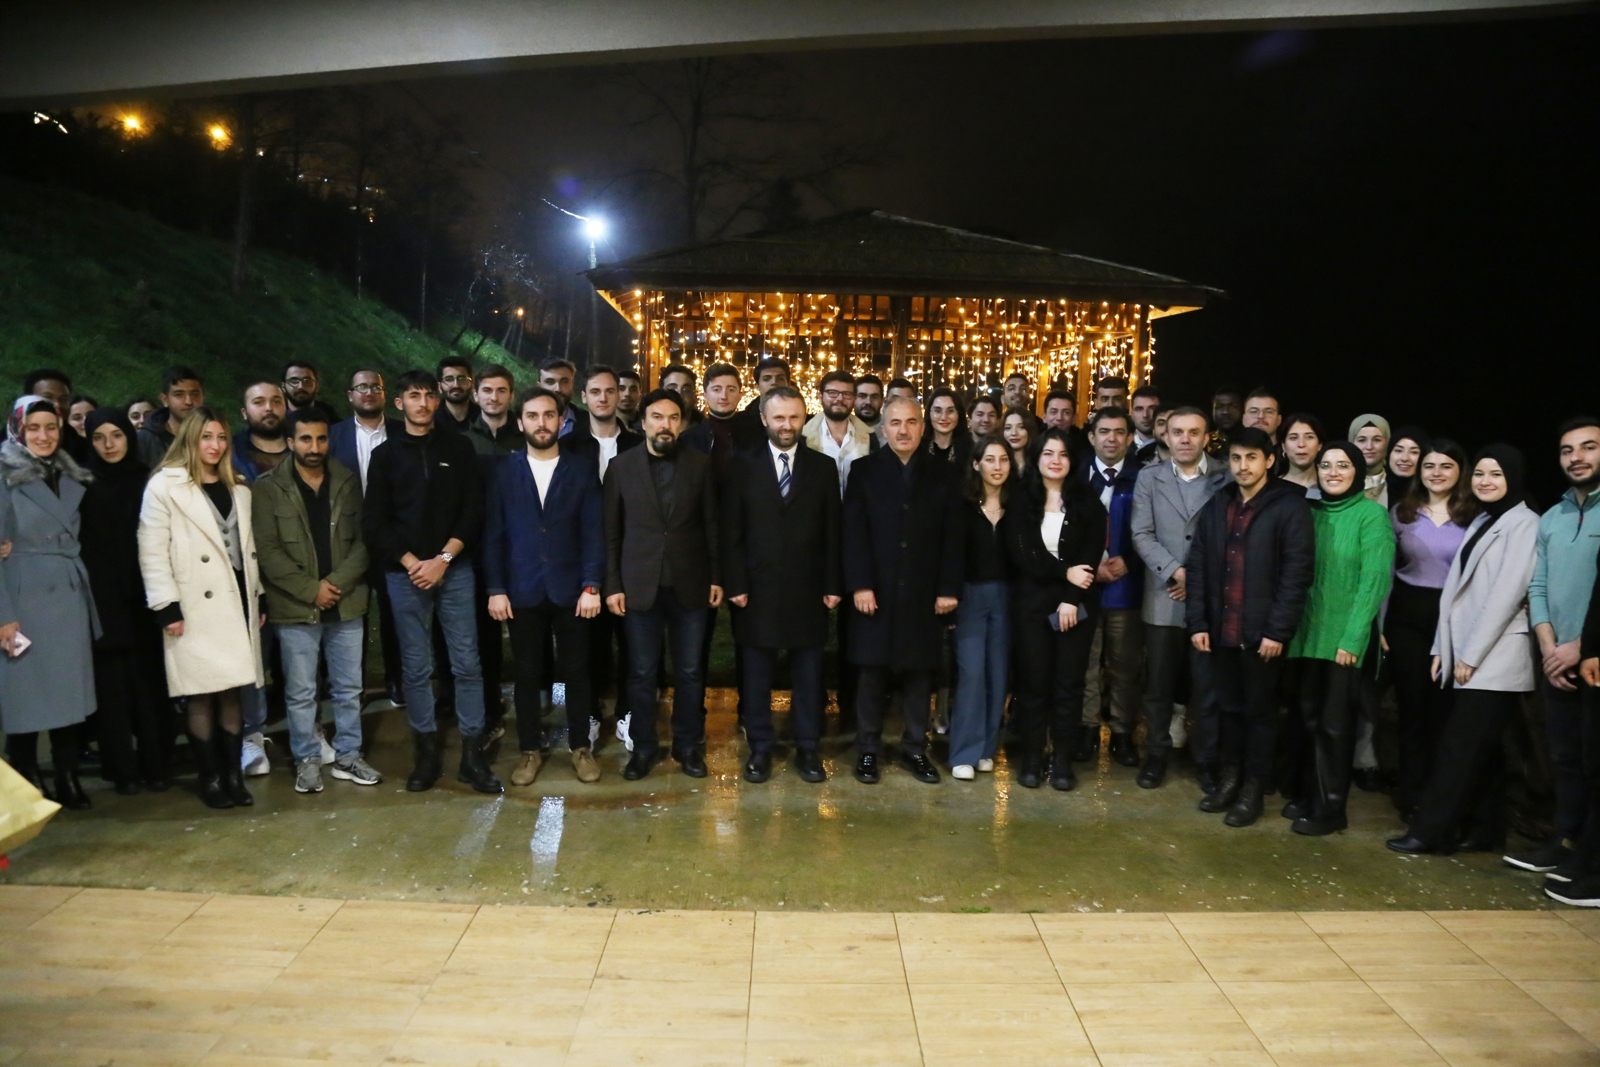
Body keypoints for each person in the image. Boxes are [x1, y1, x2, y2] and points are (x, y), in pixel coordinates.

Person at [1388, 446, 1539, 856]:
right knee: (1483, 749)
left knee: (1459, 746)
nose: (1485, 481)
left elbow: (1506, 596)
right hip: (1466, 649)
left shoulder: (1524, 523)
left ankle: (1430, 831)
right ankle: (1487, 830)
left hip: (1496, 656)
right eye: (1481, 474)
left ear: (1512, 477)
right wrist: (1443, 647)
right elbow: (1454, 589)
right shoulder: (1486, 519)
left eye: (1496, 474)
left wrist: (1469, 656)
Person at [363, 370, 500, 795]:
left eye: (428, 395)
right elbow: (375, 521)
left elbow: (473, 510)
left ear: (437, 401)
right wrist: (412, 564)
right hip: (405, 576)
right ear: (399, 403)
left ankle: (473, 755)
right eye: (413, 396)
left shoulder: (458, 448)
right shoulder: (385, 456)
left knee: (467, 663)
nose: (422, 403)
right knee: (417, 668)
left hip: (454, 570)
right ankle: (426, 754)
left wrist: (442, 560)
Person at [137, 407, 266, 809]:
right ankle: (210, 778)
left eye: (222, 437)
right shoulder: (165, 485)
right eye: (206, 437)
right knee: (200, 694)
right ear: (190, 439)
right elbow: (152, 550)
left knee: (232, 691)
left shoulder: (239, 487)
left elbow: (248, 550)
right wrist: (166, 606)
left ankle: (233, 776)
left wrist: (259, 595)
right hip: (192, 605)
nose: (215, 445)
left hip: (236, 600)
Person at [1187, 427, 1315, 827]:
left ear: (1270, 460)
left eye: (1252, 458)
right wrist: (1198, 621)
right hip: (1222, 630)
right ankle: (1231, 780)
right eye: (1236, 458)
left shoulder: (1289, 506)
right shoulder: (1219, 503)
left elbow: (1297, 573)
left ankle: (1253, 790)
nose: (1243, 466)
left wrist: (1278, 631)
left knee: (1261, 715)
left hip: (1262, 635)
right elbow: (1198, 565)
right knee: (1229, 710)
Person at [252, 409, 381, 794]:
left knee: (349, 688)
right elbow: (267, 551)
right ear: (290, 442)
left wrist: (335, 584)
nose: (314, 447)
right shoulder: (267, 487)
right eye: (305, 439)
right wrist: (312, 590)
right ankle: (306, 759)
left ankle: (348, 756)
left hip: (346, 600)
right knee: (301, 692)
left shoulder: (347, 481)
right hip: (295, 607)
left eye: (321, 439)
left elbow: (364, 540)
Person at [482, 386, 605, 786]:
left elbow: (594, 531)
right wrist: (496, 588)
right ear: (520, 423)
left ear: (561, 421)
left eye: (548, 415)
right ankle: (530, 750)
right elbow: (494, 534)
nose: (541, 423)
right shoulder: (503, 471)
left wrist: (591, 584)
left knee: (578, 671)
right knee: (527, 673)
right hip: (522, 588)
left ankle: (581, 748)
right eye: (532, 416)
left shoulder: (581, 470)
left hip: (572, 590)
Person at [722, 387, 841, 783]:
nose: (787, 425)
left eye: (794, 417)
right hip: (756, 589)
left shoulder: (823, 468)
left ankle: (808, 748)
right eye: (779, 417)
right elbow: (731, 531)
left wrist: (833, 583)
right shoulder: (741, 467)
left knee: (808, 675)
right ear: (763, 419)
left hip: (808, 588)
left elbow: (832, 532)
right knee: (756, 675)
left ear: (804, 417)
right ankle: (760, 748)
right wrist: (735, 583)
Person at [842, 395, 962, 785]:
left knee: (919, 676)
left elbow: (953, 536)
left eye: (911, 422)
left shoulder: (944, 473)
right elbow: (853, 533)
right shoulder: (863, 471)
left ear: (923, 428)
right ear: (883, 429)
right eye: (895, 423)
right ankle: (867, 749)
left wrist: (947, 589)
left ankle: (915, 749)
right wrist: (860, 584)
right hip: (875, 591)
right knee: (871, 674)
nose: (903, 430)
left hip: (925, 593)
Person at [603, 388, 722, 779]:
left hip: (691, 584)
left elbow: (712, 525)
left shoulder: (700, 465)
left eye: (673, 417)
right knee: (641, 672)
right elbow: (611, 533)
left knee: (690, 671)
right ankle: (644, 747)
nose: (665, 425)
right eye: (657, 417)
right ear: (643, 422)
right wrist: (613, 584)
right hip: (639, 586)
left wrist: (717, 577)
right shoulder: (621, 467)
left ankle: (688, 746)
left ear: (682, 424)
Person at [1282, 442, 1395, 835]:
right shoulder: (1309, 512)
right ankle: (1310, 795)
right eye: (1326, 465)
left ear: (1357, 471)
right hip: (1306, 634)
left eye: (1343, 465)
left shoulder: (1371, 516)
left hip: (1344, 641)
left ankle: (1331, 809)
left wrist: (1353, 637)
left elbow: (1374, 583)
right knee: (1308, 719)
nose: (1332, 472)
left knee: (1334, 726)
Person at [0, 396, 99, 809]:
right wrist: (4, 616)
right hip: (24, 600)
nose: (43, 436)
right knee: (24, 701)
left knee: (68, 697)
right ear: (18, 430)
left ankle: (66, 775)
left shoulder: (67, 472)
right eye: (34, 428)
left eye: (51, 427)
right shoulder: (4, 474)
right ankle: (25, 782)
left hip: (67, 595)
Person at [1514, 417, 1600, 875]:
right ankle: (1565, 841)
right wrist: (1550, 648)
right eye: (1568, 450)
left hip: (1593, 660)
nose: (1577, 458)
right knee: (1565, 758)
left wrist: (1580, 647)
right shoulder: (1553, 516)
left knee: (1593, 762)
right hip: (1558, 660)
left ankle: (1590, 854)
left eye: (1588, 447)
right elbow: (1539, 586)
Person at [1130, 406, 1231, 790]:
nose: (1185, 439)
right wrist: (1176, 571)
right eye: (1178, 432)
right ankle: (1155, 755)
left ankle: (1205, 760)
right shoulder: (1149, 477)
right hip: (1163, 596)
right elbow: (1141, 533)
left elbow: (1231, 537)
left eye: (1193, 432)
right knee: (1158, 686)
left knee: (1206, 688)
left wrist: (1198, 580)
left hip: (1210, 600)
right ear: (1166, 436)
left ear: (1207, 437)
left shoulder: (1225, 476)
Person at [1004, 427, 1104, 791]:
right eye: (1048, 453)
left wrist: (1071, 599)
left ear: (1072, 460)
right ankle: (1032, 756)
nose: (1056, 460)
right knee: (1034, 683)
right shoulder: (1021, 499)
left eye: (1062, 454)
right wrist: (1064, 573)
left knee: (1069, 684)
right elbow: (1022, 554)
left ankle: (1062, 758)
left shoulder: (1088, 501)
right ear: (1037, 458)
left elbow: (1090, 556)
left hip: (1076, 606)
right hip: (1031, 605)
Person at [80, 409, 172, 794]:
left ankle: (157, 765)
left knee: (150, 685)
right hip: (99, 600)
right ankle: (123, 771)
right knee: (111, 690)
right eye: (99, 437)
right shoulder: (80, 482)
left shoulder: (148, 481)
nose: (109, 445)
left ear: (129, 437)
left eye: (116, 435)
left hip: (144, 596)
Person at [1386, 439, 1475, 819]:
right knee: (1412, 708)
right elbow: (1387, 573)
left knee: (1444, 712)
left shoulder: (1475, 516)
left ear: (1460, 471)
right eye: (1429, 466)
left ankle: (1439, 798)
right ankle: (1410, 794)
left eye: (1446, 466)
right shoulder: (1401, 512)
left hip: (1453, 620)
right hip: (1406, 618)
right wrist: (1380, 625)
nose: (1436, 473)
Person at [565, 365, 644, 748]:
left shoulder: (637, 444)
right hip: (582, 560)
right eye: (595, 391)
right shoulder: (569, 446)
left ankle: (628, 712)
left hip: (631, 558)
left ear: (619, 395)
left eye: (610, 391)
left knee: (633, 642)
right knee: (588, 644)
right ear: (584, 397)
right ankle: (591, 712)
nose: (603, 398)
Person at [329, 368, 406, 707]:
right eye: (362, 387)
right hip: (347, 542)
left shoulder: (402, 433)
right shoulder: (333, 436)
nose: (369, 392)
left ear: (385, 394)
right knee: (350, 618)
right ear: (350, 395)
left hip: (393, 540)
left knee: (395, 615)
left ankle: (397, 680)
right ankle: (353, 687)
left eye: (376, 386)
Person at [1075, 406, 1144, 768]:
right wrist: (1088, 565)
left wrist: (1130, 560)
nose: (1111, 439)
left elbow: (1153, 529)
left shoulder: (1144, 477)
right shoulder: (1075, 475)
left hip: (1126, 586)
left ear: (1130, 438)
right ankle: (1086, 729)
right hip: (1084, 583)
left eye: (1119, 432)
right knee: (1085, 662)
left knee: (1123, 665)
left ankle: (1121, 732)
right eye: (1104, 432)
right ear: (1092, 437)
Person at [948, 435, 1013, 780]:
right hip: (970, 596)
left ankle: (987, 749)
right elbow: (949, 555)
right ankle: (964, 753)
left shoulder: (1018, 505)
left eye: (1003, 460)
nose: (997, 467)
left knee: (998, 674)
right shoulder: (962, 505)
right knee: (972, 674)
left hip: (1008, 596)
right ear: (976, 464)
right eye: (990, 459)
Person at [462, 364, 521, 738]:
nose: (494, 397)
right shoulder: (463, 442)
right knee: (483, 638)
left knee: (527, 638)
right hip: (479, 552)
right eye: (487, 390)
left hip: (523, 551)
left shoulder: (525, 436)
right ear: (476, 395)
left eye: (501, 390)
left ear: (511, 395)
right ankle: (489, 708)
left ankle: (532, 713)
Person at [803, 370, 876, 494]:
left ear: (854, 399)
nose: (840, 399)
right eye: (832, 393)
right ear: (820, 397)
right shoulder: (803, 437)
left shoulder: (869, 437)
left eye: (847, 394)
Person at [683, 363, 762, 474]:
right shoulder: (688, 440)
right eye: (716, 390)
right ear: (705, 395)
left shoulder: (756, 436)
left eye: (731, 390)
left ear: (740, 395)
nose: (724, 396)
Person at [136, 365, 205, 468]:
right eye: (179, 394)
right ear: (165, 400)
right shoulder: (145, 440)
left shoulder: (214, 438)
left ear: (203, 397)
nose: (189, 401)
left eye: (195, 394)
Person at [19, 369, 92, 463]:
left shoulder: (82, 448)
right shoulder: (7, 445)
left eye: (64, 399)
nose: (57, 404)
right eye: (47, 397)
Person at [232, 381, 289, 481]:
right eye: (259, 402)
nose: (269, 408)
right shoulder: (232, 452)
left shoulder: (306, 447)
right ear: (244, 413)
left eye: (276, 401)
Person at [1349, 414, 1391, 506]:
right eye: (1362, 440)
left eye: (1377, 440)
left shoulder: (1397, 486)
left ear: (1387, 443)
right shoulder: (1340, 482)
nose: (1369, 447)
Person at [922, 387, 970, 467]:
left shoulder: (971, 451)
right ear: (929, 414)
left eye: (950, 411)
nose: (944, 417)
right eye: (938, 411)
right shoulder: (917, 448)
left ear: (959, 414)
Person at [1280, 414, 1324, 493]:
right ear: (1284, 446)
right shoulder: (1271, 489)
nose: (1301, 444)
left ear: (1319, 445)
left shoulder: (1330, 486)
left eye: (1309, 437)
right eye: (1293, 438)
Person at [432, 357, 478, 433]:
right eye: (449, 379)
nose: (456, 385)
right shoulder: (429, 419)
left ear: (472, 384)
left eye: (462, 379)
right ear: (439, 387)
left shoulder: (484, 417)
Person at [1386, 427, 1428, 506]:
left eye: (1414, 452)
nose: (1405, 458)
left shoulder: (1432, 494)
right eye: (1398, 450)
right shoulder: (1372, 490)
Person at [538, 358, 580, 437]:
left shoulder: (589, 423)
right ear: (539, 386)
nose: (558, 389)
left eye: (564, 382)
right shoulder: (520, 421)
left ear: (572, 385)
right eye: (550, 382)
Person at [660, 364, 705, 428]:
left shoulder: (709, 432)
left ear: (694, 396)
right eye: (672, 389)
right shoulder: (648, 431)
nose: (679, 394)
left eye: (686, 389)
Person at [1002, 405, 1037, 480]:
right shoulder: (998, 465)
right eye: (1008, 428)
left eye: (1021, 427)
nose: (1014, 433)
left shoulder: (1039, 463)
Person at [1130, 386, 1161, 462]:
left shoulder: (1172, 447)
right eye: (1139, 409)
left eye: (1152, 408)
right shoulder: (1121, 447)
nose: (1145, 415)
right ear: (1131, 413)